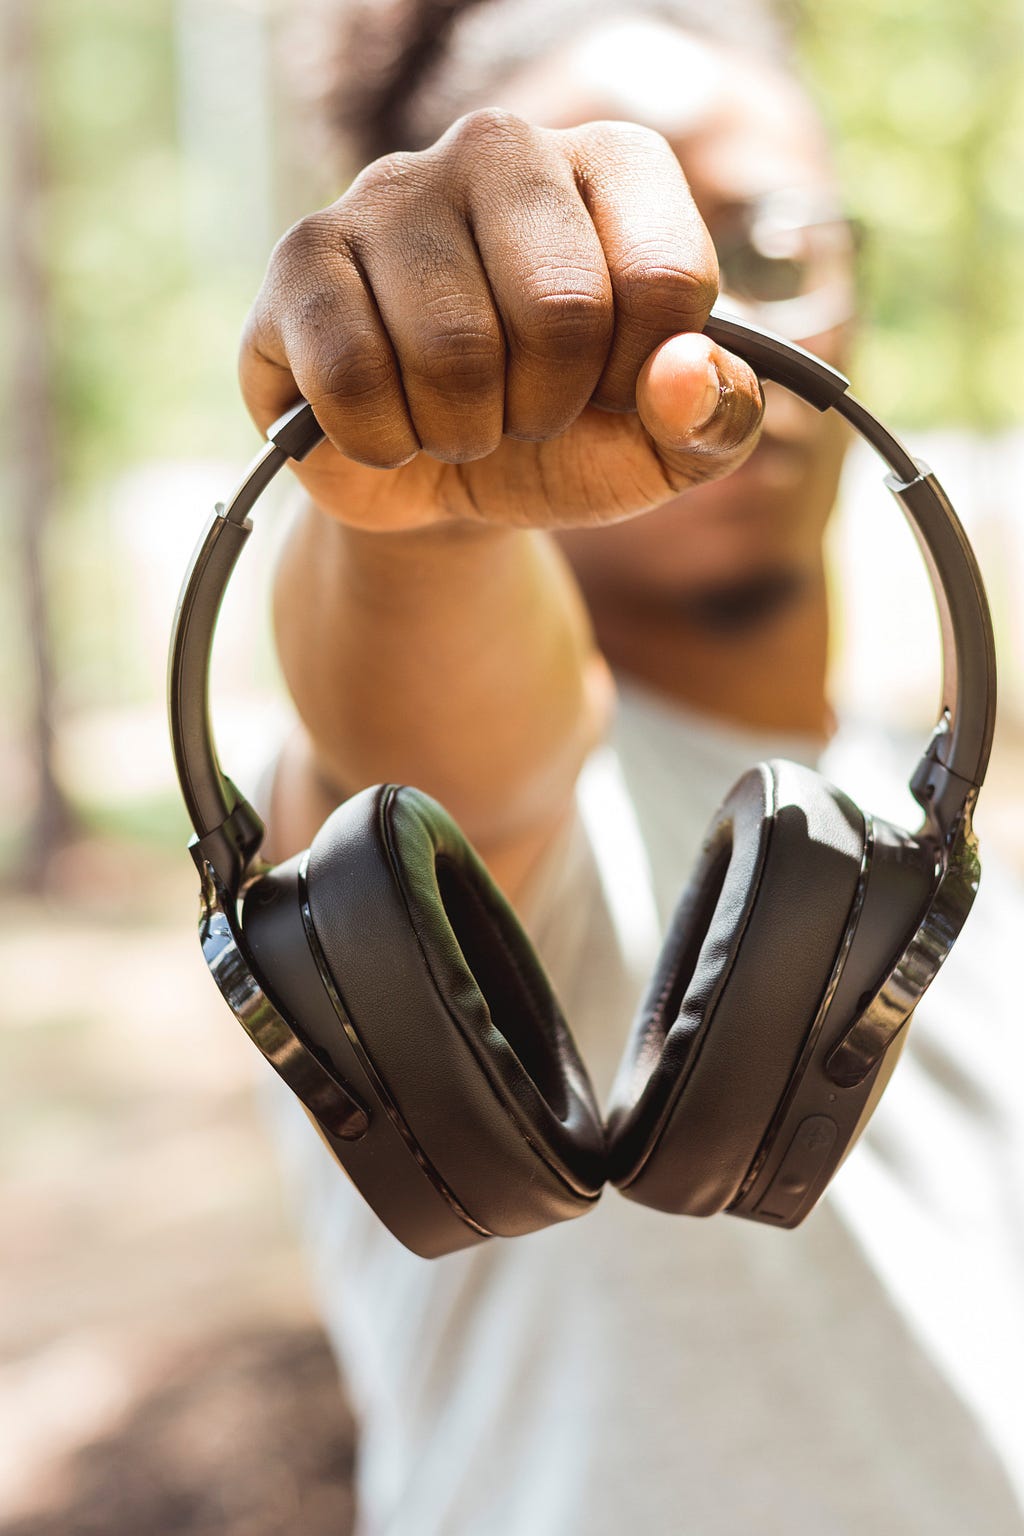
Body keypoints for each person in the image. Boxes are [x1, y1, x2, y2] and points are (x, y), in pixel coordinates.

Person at [241, 1, 1024, 1529]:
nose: (699, 326)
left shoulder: (896, 837)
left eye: (769, 237)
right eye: (587, 291)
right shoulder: (459, 837)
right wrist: (418, 503)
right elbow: (416, 726)